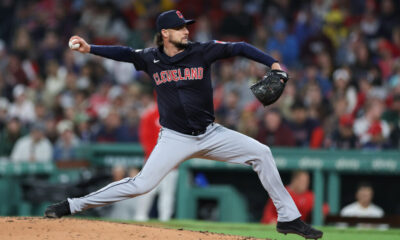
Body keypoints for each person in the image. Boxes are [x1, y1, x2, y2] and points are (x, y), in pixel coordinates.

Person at [44, 10, 322, 239]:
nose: (186, 31)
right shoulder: (151, 57)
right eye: (179, 28)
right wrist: (91, 48)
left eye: (186, 27)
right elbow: (124, 53)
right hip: (174, 138)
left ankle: (288, 219)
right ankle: (72, 205)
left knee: (262, 153)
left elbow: (239, 47)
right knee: (141, 185)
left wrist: (273, 63)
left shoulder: (202, 51)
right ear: (165, 33)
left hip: (211, 134)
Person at [134, 96, 178, 222]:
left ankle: (165, 219)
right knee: (147, 189)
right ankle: (140, 217)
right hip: (153, 160)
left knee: (168, 193)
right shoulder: (150, 114)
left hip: (171, 161)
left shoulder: (175, 114)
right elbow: (145, 138)